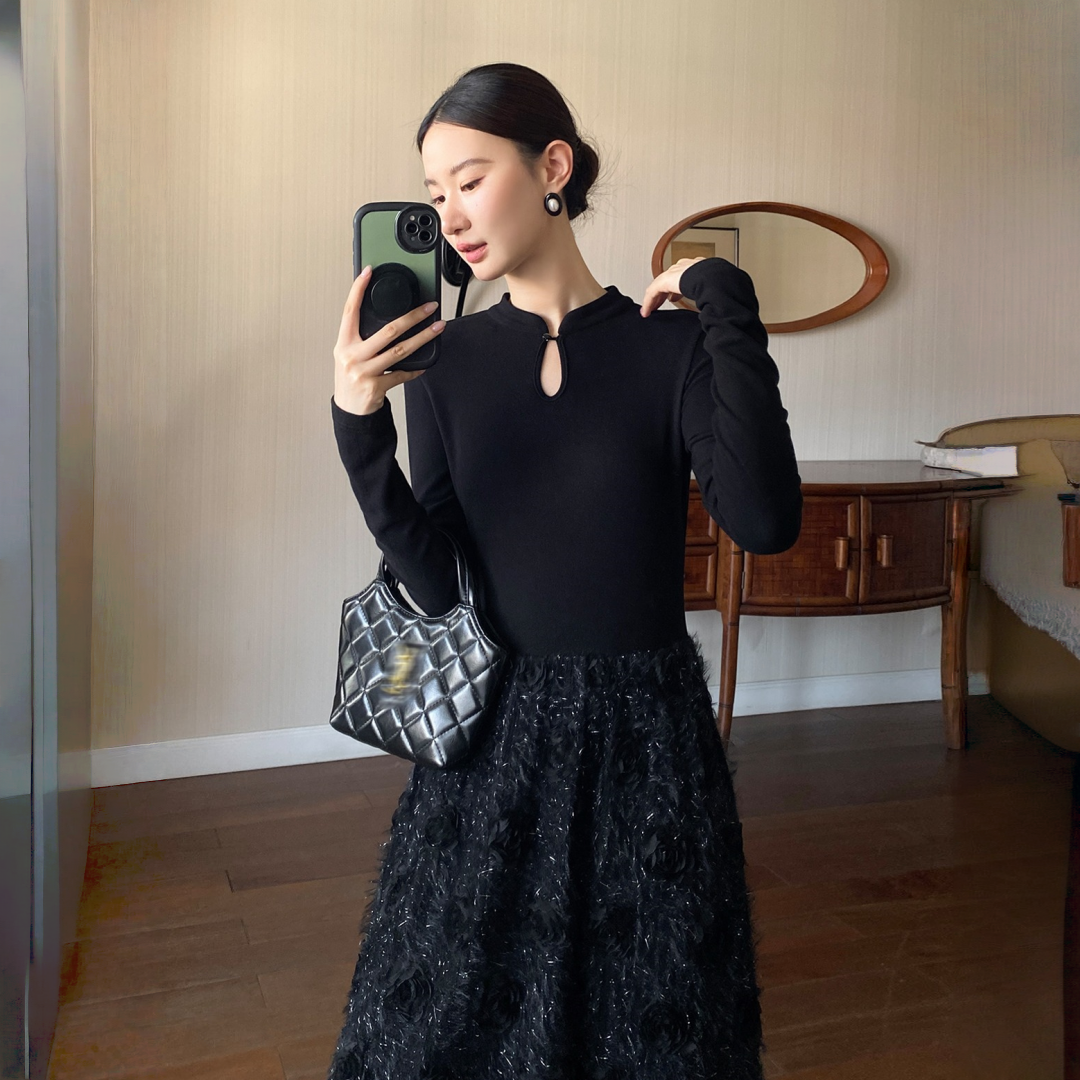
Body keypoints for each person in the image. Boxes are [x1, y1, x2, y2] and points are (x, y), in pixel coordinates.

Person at [327, 62, 801, 1080]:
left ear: (553, 167)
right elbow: (438, 582)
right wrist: (358, 426)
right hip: (492, 735)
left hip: (648, 738)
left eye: (469, 179)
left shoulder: (670, 348)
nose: (450, 214)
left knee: (654, 1030)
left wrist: (725, 301)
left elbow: (763, 522)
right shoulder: (445, 362)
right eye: (434, 192)